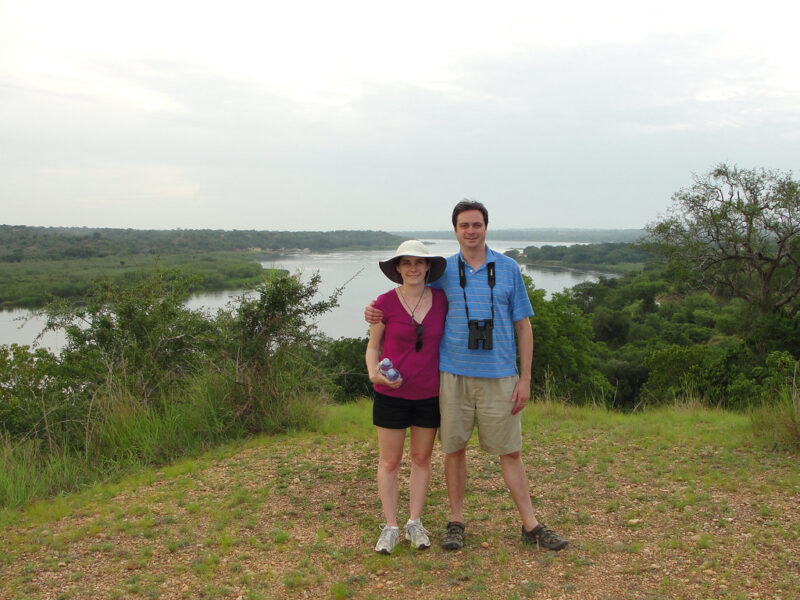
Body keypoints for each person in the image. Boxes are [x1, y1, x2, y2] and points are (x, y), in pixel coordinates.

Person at [366, 201, 568, 551]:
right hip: (453, 377)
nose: (471, 231)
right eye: (464, 225)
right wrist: (373, 311)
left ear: (486, 227)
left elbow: (524, 326)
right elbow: (405, 298)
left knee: (510, 452)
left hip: (500, 375)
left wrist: (526, 378)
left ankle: (531, 525)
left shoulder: (508, 269)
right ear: (455, 230)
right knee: (453, 450)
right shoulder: (442, 273)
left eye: (477, 224)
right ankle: (456, 522)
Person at [366, 239, 448, 554]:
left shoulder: (442, 300)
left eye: (419, 262)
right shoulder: (384, 303)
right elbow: (373, 347)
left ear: (428, 267)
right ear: (398, 268)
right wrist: (374, 372)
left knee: (421, 459)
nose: (413, 268)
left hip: (429, 394)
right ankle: (391, 526)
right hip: (390, 394)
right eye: (406, 263)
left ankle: (415, 522)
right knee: (389, 461)